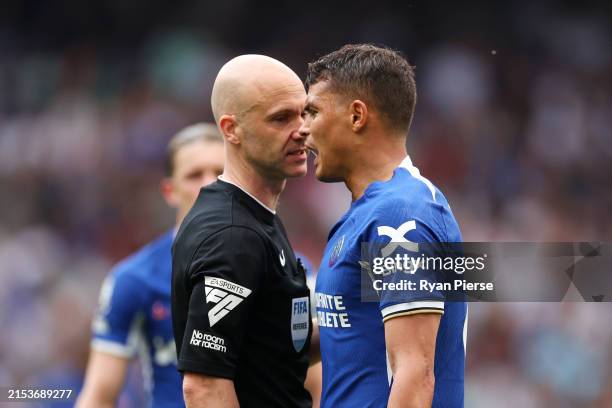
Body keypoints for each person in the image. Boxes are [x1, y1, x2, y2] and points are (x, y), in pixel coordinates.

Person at [300, 44, 467, 408]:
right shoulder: (367, 213)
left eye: (312, 111)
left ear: (357, 115)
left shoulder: (402, 214)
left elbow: (414, 375)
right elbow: (350, 335)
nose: (303, 129)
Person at [171, 55, 312, 408]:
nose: (303, 130)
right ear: (231, 129)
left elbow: (274, 347)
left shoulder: (254, 216)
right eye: (281, 118)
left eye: (305, 113)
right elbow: (203, 386)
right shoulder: (232, 235)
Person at [76, 123, 225, 408]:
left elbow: (314, 383)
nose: (209, 184)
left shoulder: (285, 269)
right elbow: (98, 396)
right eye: (195, 175)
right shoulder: (135, 279)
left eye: (220, 172)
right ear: (170, 190)